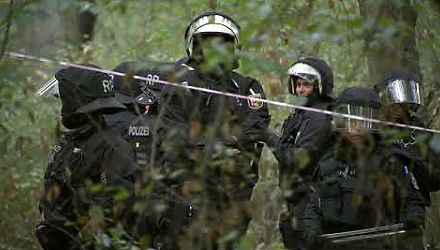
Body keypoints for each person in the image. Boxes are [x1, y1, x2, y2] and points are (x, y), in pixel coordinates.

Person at [157, 11, 271, 249]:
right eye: (209, 45)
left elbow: (255, 130)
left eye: (223, 45)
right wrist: (212, 149)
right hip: (187, 195)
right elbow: (172, 135)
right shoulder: (180, 83)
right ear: (196, 48)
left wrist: (225, 146)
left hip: (233, 195)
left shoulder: (246, 87)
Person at [301, 86, 427, 250]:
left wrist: (413, 221)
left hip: (383, 243)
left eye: (363, 120)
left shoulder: (391, 160)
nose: (356, 128)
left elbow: (413, 200)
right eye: (350, 120)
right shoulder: (328, 162)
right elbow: (314, 205)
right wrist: (312, 230)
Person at [35, 65, 140, 250]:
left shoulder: (113, 146)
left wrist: (79, 243)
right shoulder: (72, 141)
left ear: (77, 102)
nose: (61, 108)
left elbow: (115, 208)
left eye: (63, 100)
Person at [269, 57, 334, 249]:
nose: (300, 90)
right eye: (298, 85)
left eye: (306, 85)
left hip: (312, 201)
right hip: (296, 200)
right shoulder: (301, 113)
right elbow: (285, 152)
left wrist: (269, 138)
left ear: (319, 86)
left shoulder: (320, 117)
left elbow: (298, 159)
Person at [374, 68, 440, 203]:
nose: (399, 109)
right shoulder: (370, 126)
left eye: (404, 105)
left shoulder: (419, 130)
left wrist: (415, 165)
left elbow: (437, 174)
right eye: (394, 104)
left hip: (413, 205)